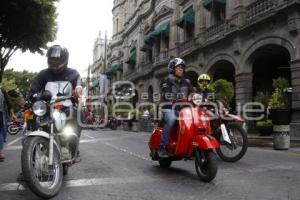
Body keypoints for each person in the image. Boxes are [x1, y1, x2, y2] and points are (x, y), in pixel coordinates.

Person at [27, 44, 83, 157]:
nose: (54, 61)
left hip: (66, 106)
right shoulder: (43, 74)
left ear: (64, 59)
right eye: (52, 59)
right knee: (31, 116)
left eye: (57, 59)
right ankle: (29, 157)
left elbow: (79, 85)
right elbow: (33, 90)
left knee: (78, 113)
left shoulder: (73, 73)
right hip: (46, 107)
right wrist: (32, 96)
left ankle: (72, 146)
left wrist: (78, 90)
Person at [159, 58, 195, 157]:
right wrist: (172, 97)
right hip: (169, 108)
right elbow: (165, 93)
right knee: (171, 119)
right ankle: (163, 147)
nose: (181, 69)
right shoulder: (166, 80)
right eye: (178, 67)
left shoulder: (186, 82)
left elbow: (194, 93)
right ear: (172, 68)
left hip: (183, 109)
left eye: (182, 68)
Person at [0, 87, 13, 161]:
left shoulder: (2, 90)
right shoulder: (2, 90)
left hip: (2, 114)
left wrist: (12, 113)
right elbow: (8, 102)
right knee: (2, 132)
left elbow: (8, 103)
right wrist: (12, 113)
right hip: (1, 114)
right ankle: (0, 152)